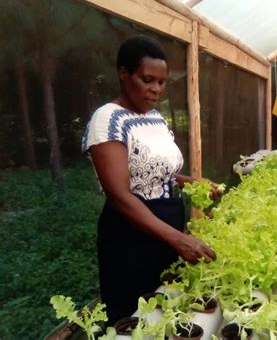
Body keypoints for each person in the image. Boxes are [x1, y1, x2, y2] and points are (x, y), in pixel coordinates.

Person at [82, 35, 219, 325]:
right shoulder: (108, 120)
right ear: (123, 74)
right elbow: (120, 195)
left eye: (161, 82)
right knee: (135, 316)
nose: (156, 90)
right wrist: (179, 239)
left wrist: (192, 182)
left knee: (165, 306)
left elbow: (160, 172)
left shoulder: (155, 117)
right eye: (147, 80)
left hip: (166, 226)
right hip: (130, 235)